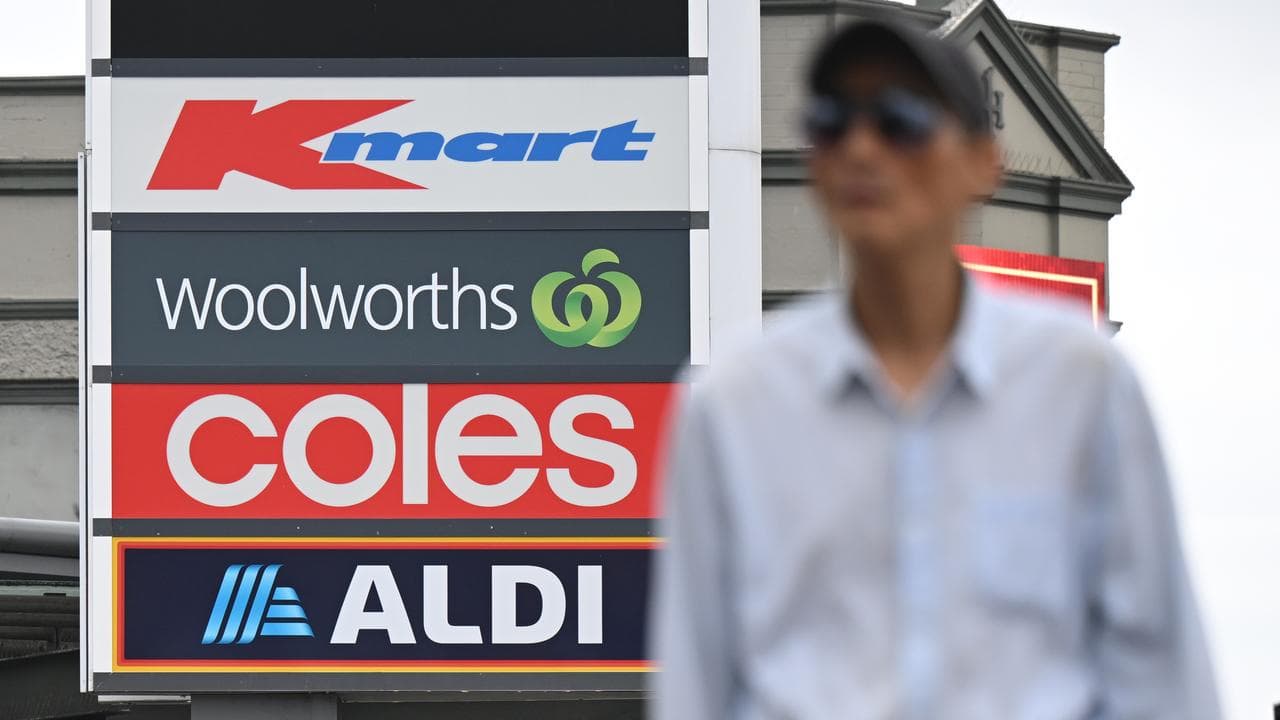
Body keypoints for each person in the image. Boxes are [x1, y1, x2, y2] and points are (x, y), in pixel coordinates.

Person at [650, 18, 1219, 720]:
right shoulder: (732, 404)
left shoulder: (1083, 383)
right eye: (832, 123)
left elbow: (1161, 676)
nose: (862, 147)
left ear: (984, 163)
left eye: (901, 121)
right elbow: (697, 686)